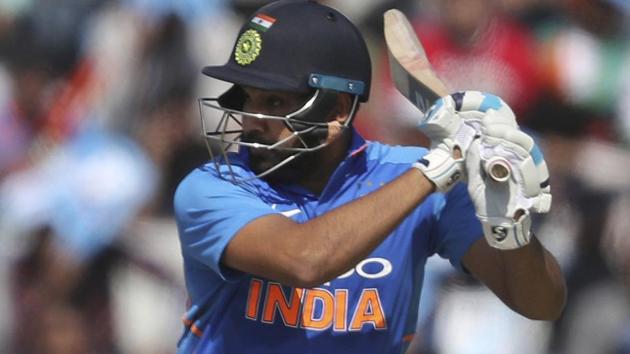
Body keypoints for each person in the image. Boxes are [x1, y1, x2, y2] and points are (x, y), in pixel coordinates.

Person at [173, 1, 566, 353]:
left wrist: (509, 225)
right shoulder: (213, 187)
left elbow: (540, 303)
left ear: (337, 111)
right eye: (247, 98)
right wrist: (442, 164)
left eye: (274, 101)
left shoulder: (411, 180)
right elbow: (306, 261)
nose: (251, 121)